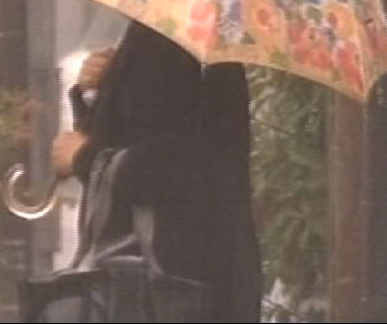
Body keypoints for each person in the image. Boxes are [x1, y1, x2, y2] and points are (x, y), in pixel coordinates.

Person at [51, 20, 262, 323]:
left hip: (164, 280)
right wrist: (100, 90)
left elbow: (170, 164)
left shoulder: (164, 37)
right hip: (209, 272)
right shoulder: (206, 42)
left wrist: (82, 157)